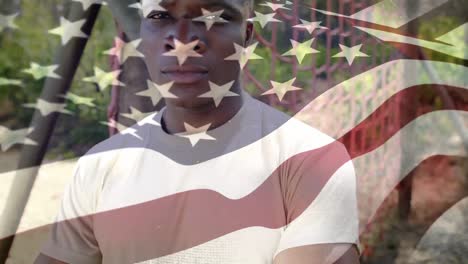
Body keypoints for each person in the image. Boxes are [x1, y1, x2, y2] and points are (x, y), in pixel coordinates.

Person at [35, 0, 360, 263]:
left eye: (215, 16)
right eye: (161, 15)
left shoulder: (310, 160)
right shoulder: (100, 165)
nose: (183, 41)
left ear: (246, 35)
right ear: (141, 34)